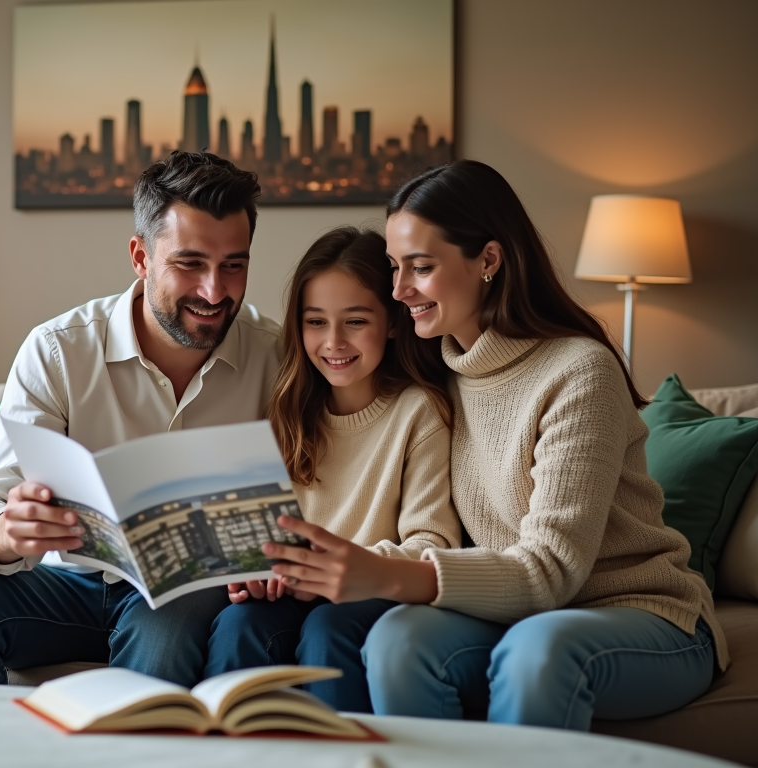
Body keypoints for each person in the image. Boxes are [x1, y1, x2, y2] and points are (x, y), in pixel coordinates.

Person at [262, 159, 728, 728]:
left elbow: (551, 571)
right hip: (515, 614)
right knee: (397, 639)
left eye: (421, 267)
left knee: (539, 653)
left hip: (633, 613)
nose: (398, 290)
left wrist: (382, 572)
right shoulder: (441, 371)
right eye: (393, 267)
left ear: (488, 259)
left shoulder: (579, 371)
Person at [0, 151, 281, 688]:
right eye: (189, 264)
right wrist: (8, 533)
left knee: (168, 630)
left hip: (181, 597)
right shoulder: (58, 351)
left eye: (234, 265)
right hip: (64, 585)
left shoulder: (276, 357)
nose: (214, 291)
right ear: (140, 256)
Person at [205, 226, 461, 713]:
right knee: (238, 625)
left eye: (356, 321)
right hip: (292, 596)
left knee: (329, 627)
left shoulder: (420, 412)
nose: (334, 341)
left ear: (390, 321)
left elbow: (433, 544)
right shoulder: (285, 411)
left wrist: (337, 569)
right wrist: (251, 570)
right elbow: (258, 531)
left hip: (374, 594)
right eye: (316, 322)